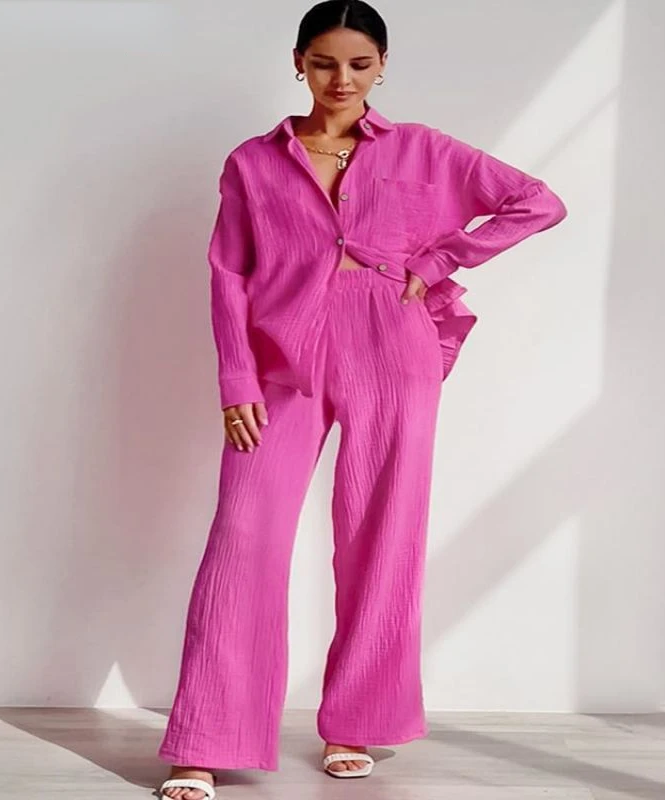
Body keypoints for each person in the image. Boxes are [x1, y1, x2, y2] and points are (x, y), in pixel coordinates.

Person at [156, 1, 567, 798]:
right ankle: (206, 738)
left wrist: (441, 258)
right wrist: (236, 379)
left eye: (358, 63)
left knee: (382, 536)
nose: (340, 79)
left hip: (391, 347)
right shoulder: (253, 162)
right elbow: (229, 273)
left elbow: (537, 201)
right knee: (244, 536)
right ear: (298, 63)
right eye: (323, 62)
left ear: (382, 66)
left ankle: (356, 723)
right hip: (281, 358)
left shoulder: (422, 149)